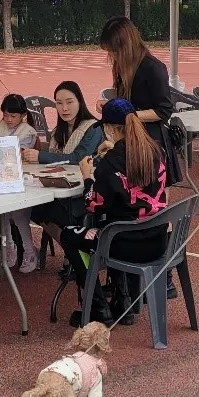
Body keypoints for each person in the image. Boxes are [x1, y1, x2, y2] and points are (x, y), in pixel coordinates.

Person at [60, 98, 168, 327]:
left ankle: (98, 305)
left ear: (109, 129)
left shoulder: (111, 164)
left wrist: (88, 175)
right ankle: (124, 301)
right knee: (113, 222)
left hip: (123, 243)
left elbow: (92, 204)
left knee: (70, 234)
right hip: (158, 238)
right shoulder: (155, 150)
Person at [24, 82, 105, 261]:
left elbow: (78, 157)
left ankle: (75, 252)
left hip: (83, 193)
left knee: (42, 208)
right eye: (59, 103)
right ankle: (73, 250)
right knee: (32, 207)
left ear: (80, 101)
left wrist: (40, 156)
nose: (64, 108)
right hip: (59, 188)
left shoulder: (93, 127)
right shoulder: (58, 131)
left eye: (69, 102)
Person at [99, 17, 181, 185]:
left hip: (153, 141)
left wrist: (128, 114)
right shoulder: (122, 66)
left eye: (114, 51)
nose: (111, 56)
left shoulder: (153, 68)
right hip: (132, 138)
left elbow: (164, 110)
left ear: (126, 46)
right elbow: (128, 101)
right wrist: (112, 106)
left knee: (154, 199)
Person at [0, 94, 39, 271]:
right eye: (5, 115)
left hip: (22, 180)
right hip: (1, 178)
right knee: (1, 215)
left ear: (22, 116)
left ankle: (29, 251)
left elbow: (18, 154)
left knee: (20, 217)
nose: (9, 119)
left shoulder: (28, 132)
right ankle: (9, 246)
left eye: (13, 116)